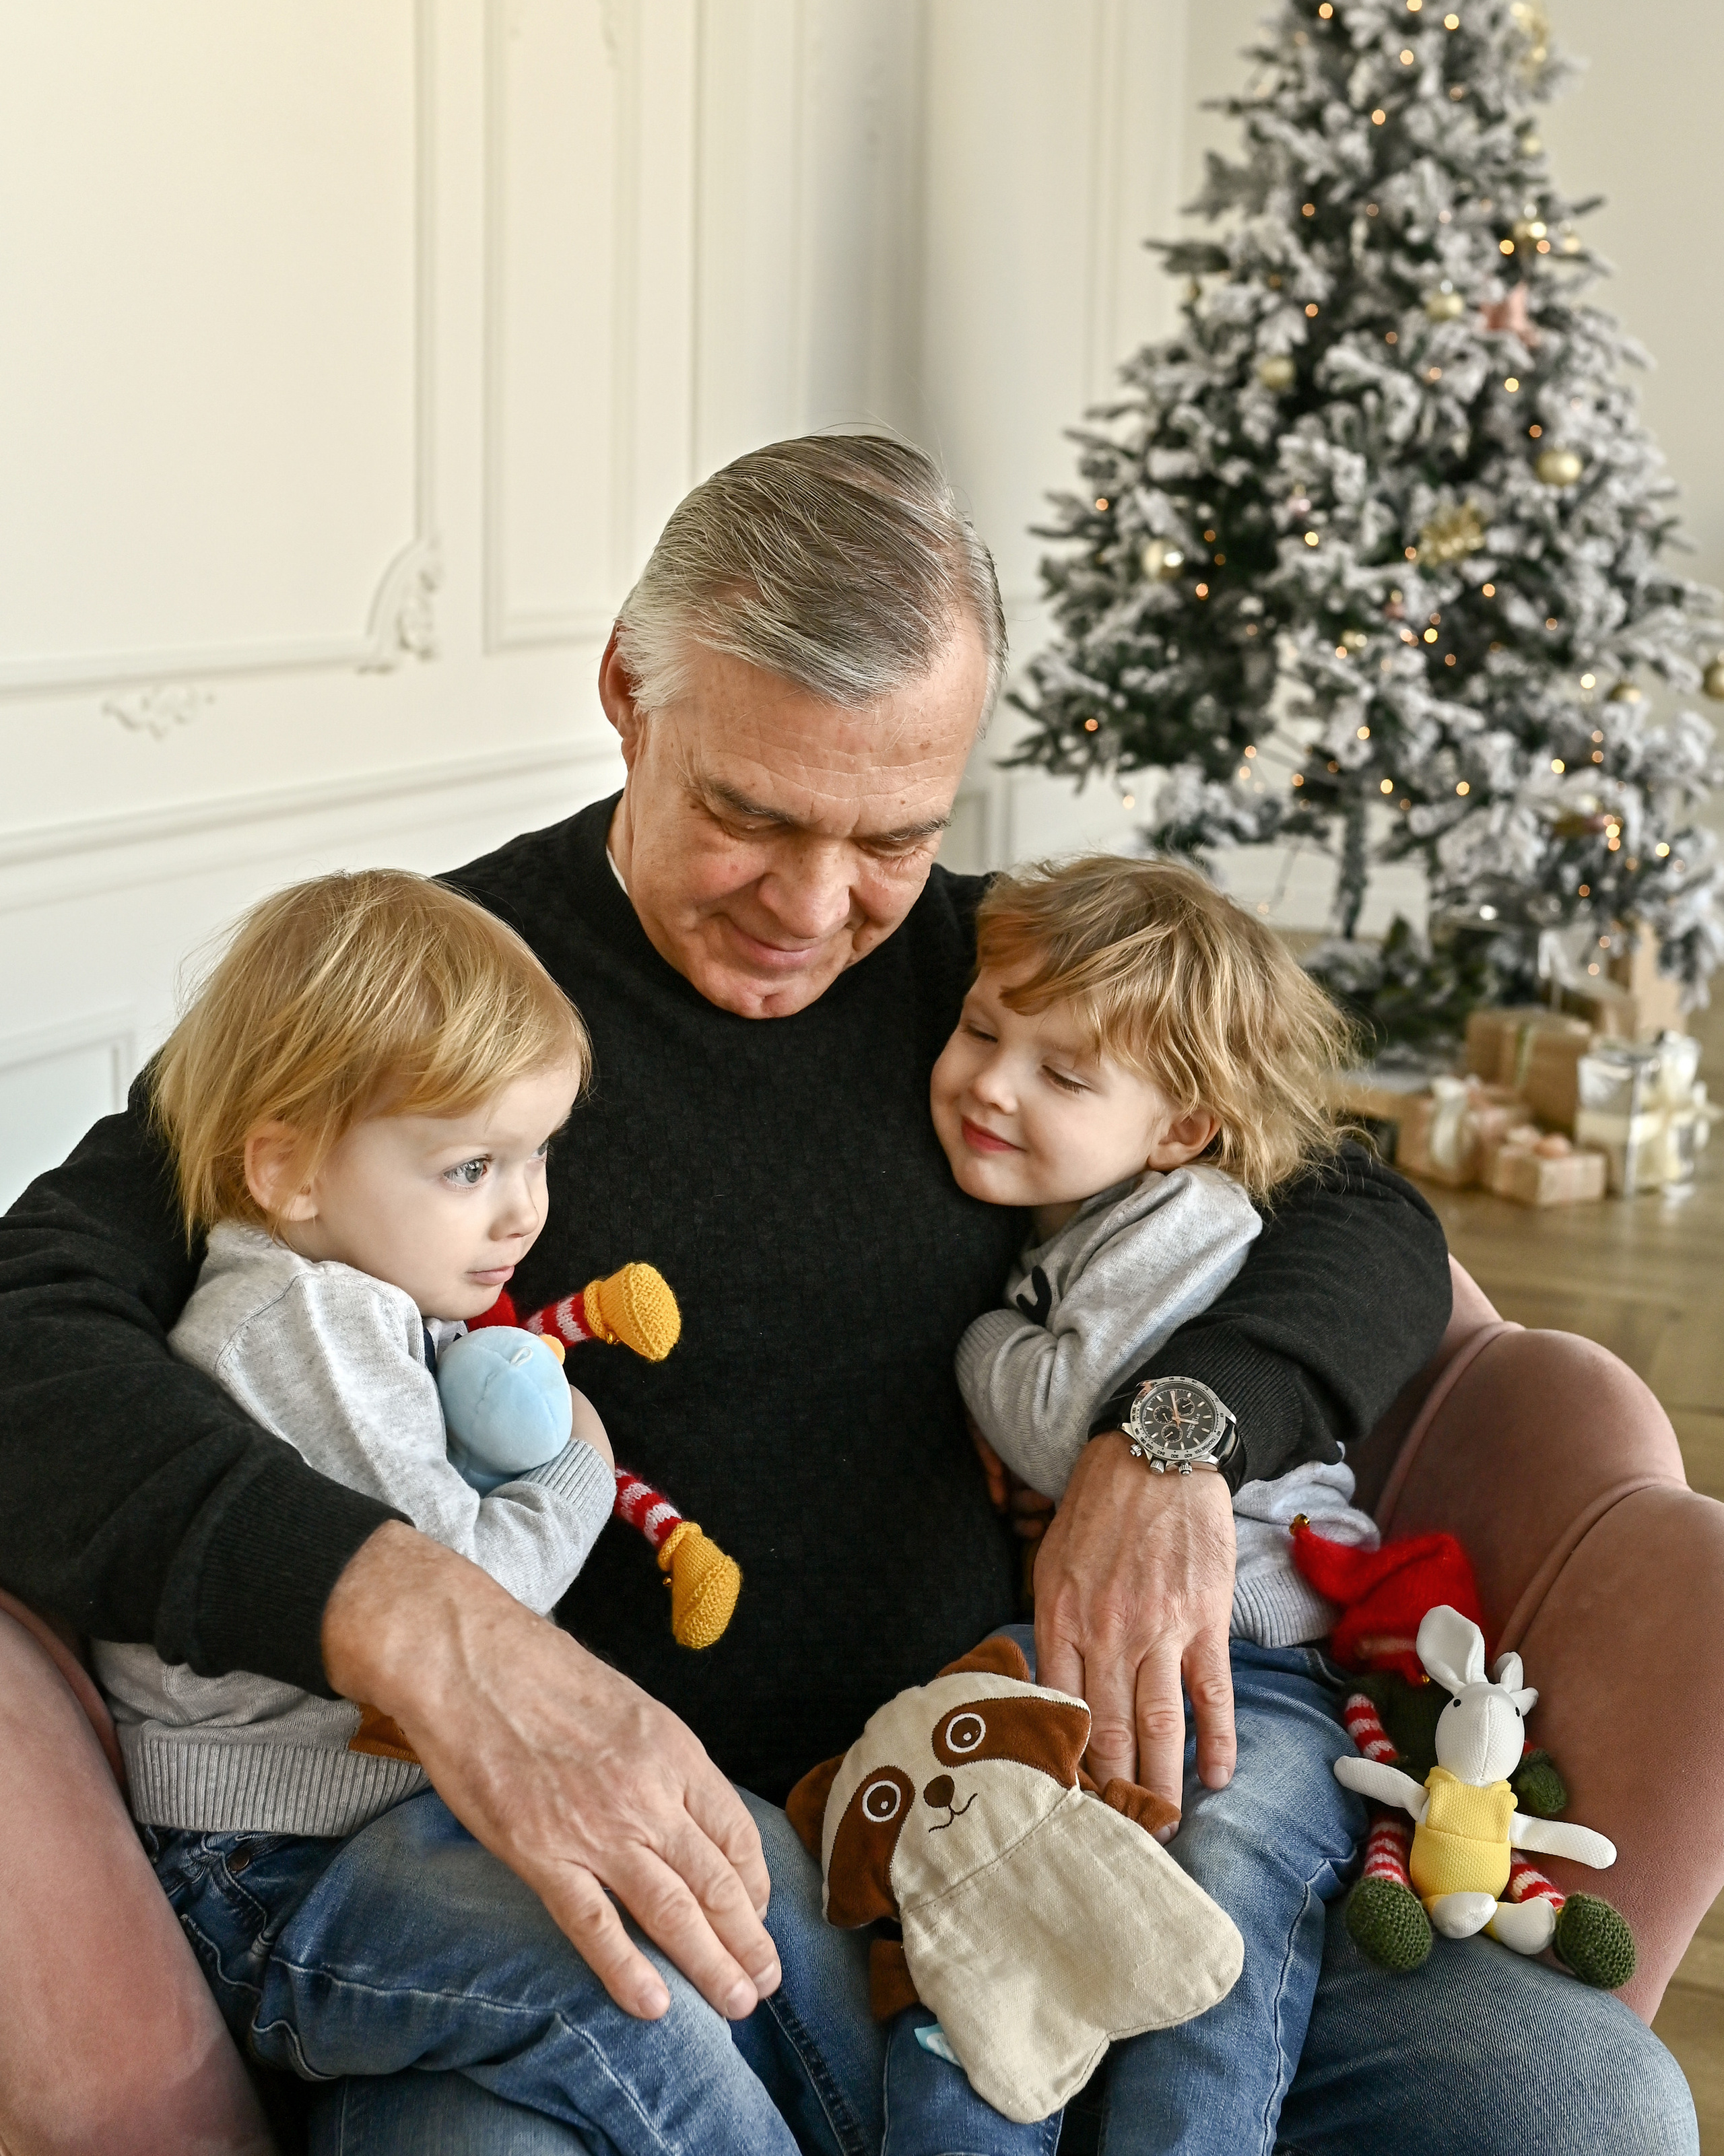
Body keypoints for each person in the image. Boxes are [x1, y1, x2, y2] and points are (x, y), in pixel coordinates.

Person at [0, 435, 1694, 2153]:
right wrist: (416, 1617)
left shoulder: (1000, 992)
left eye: (891, 834)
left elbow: (1351, 1199)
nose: (813, 910)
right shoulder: (426, 1015)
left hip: (1035, 1826)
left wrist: (1168, 1435)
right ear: (625, 696)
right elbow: (27, 1328)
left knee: (1579, 2098)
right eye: (749, 815)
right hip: (621, 1903)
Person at [89, 867, 801, 2151]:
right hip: (270, 1871)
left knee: (754, 1858)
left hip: (375, 1828)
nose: (525, 1208)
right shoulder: (304, 1323)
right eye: (472, 1164)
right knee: (622, 1996)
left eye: (535, 1155)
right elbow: (481, 1597)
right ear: (289, 1167)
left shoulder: (374, 1292)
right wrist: (581, 1452)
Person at [857, 851, 1377, 2155]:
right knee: (983, 1922)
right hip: (1069, 1660)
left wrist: (970, 1343)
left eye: (1061, 1074)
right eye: (982, 1030)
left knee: (1209, 1914)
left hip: (1250, 1662)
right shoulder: (1061, 1212)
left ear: (1179, 1128)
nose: (989, 1082)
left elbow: (1053, 1427)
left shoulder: (1178, 1220)